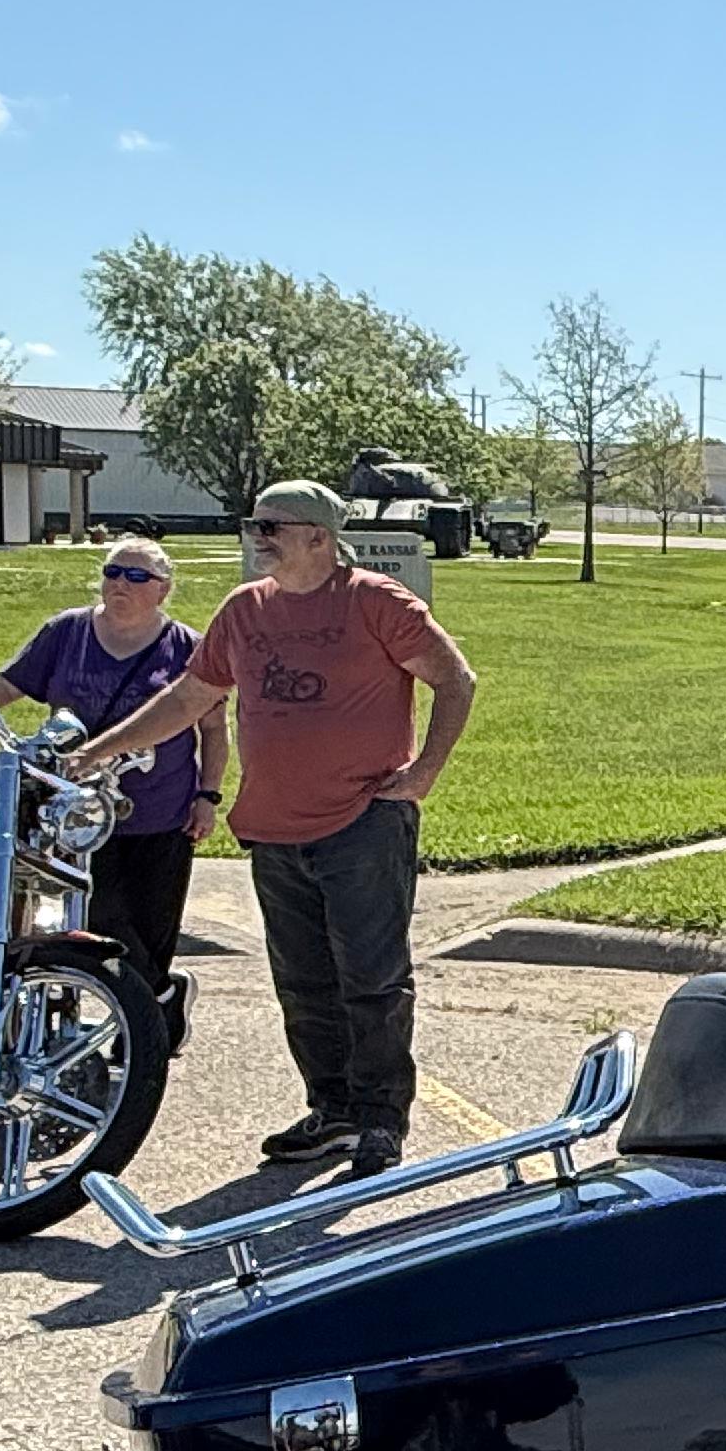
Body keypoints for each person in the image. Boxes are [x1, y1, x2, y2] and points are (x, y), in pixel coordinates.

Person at [78, 481, 475, 1180]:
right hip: (273, 827)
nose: (257, 536)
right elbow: (191, 698)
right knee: (302, 982)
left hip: (363, 822)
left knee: (373, 980)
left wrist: (424, 773)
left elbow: (455, 679)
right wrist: (97, 750)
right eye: (253, 524)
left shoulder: (375, 601)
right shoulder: (243, 611)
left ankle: (381, 1119)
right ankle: (332, 1112)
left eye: (271, 526)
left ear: (318, 536)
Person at [0, 535, 226, 969]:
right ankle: (119, 1005)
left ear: (163, 589)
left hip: (160, 810)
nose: (121, 584)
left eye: (137, 576)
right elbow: (6, 687)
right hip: (73, 813)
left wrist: (207, 797)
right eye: (112, 573)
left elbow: (213, 728)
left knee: (152, 929)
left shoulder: (186, 647)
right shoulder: (67, 632)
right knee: (96, 918)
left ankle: (154, 1013)